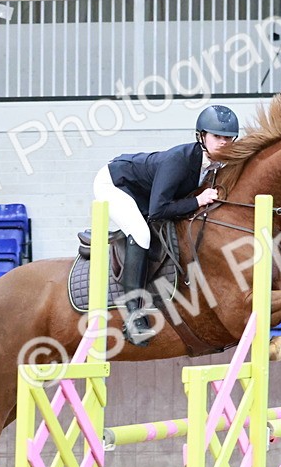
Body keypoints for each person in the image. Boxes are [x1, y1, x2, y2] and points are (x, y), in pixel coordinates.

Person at [92, 104, 240, 345]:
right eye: (217, 136)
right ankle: (133, 316)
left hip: (145, 193)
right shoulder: (179, 161)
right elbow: (158, 211)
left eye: (227, 137)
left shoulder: (218, 164)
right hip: (115, 184)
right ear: (201, 136)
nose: (223, 142)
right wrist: (197, 200)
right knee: (141, 232)